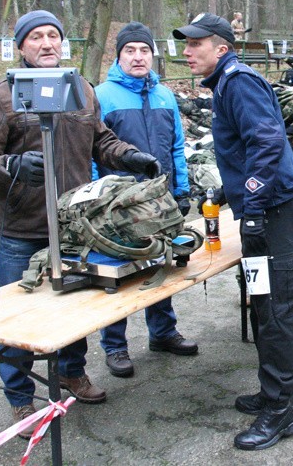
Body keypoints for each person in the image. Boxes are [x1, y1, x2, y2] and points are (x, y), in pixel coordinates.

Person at [0, 10, 160, 438]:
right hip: (22, 228)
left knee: (73, 311)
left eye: (54, 35)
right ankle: (20, 397)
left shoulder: (82, 89)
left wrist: (129, 156)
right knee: (18, 321)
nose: (47, 44)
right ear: (21, 47)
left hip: (74, 226)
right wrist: (11, 166)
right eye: (36, 37)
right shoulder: (3, 96)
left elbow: (100, 140)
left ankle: (72, 373)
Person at [174, 12, 293, 450]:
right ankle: (272, 394)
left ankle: (282, 410)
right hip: (260, 210)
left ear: (222, 48)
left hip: (275, 214)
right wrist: (229, 191)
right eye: (186, 44)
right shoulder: (225, 84)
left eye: (196, 44)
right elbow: (249, 147)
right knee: (261, 303)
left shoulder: (238, 82)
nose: (187, 51)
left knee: (275, 312)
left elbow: (268, 142)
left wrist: (250, 201)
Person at [93, 22, 198, 379]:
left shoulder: (165, 96)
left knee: (160, 264)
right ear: (118, 56)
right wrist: (98, 205)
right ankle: (115, 345)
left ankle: (163, 332)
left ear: (153, 55)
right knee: (116, 274)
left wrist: (181, 190)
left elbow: (176, 147)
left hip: (161, 199)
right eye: (130, 51)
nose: (138, 57)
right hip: (118, 205)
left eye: (144, 50)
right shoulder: (102, 95)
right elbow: (94, 154)